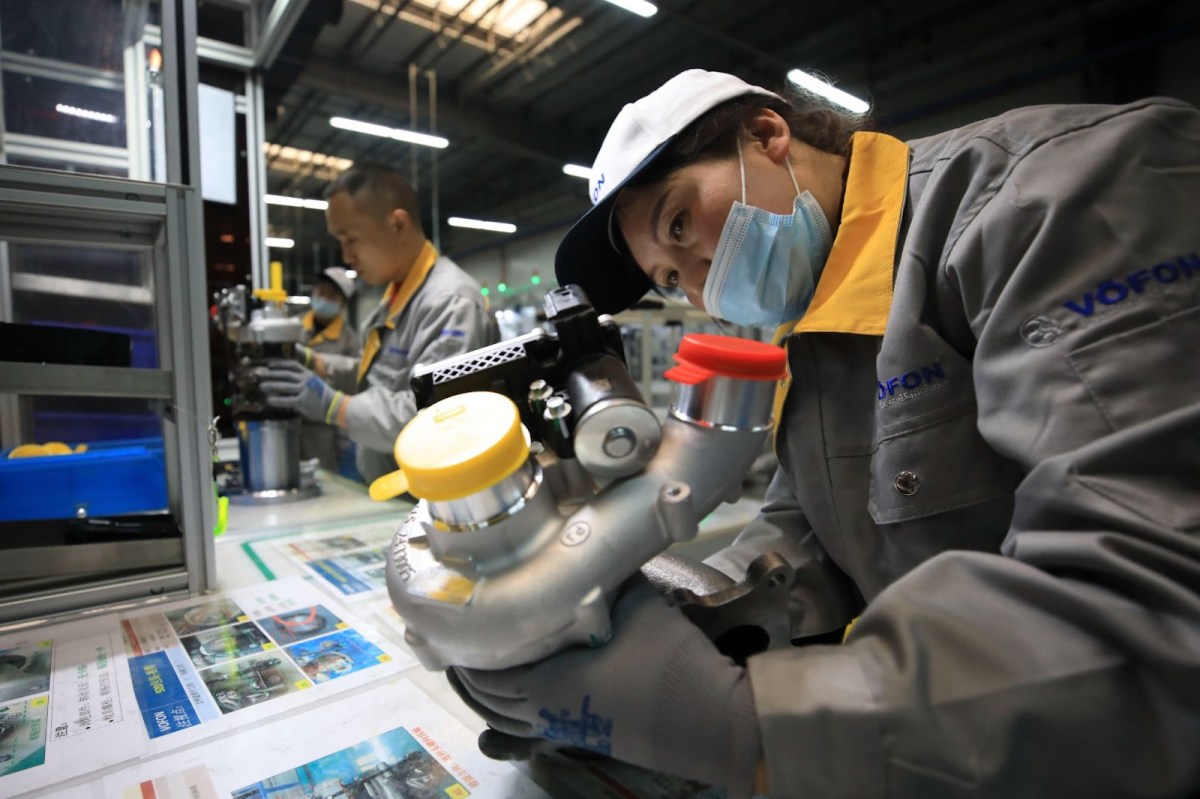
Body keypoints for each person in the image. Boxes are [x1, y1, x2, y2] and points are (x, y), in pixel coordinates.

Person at [449, 69, 1200, 797]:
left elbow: (1154, 617)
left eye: (679, 223)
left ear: (766, 133)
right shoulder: (812, 328)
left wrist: (738, 724)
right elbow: (810, 530)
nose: (702, 286)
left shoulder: (1053, 194)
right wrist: (680, 621)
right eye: (671, 280)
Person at [260, 162, 491, 485]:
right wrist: (318, 363)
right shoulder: (396, 298)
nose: (346, 257)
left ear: (397, 224)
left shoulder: (450, 302)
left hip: (435, 503)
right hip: (396, 491)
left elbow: (436, 415)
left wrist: (335, 407)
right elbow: (382, 377)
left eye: (350, 239)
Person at [298, 266, 360, 472]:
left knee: (322, 478)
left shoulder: (350, 340)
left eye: (332, 295)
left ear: (342, 303)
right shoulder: (292, 326)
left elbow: (353, 382)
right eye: (321, 291)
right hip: (288, 420)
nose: (324, 298)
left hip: (323, 426)